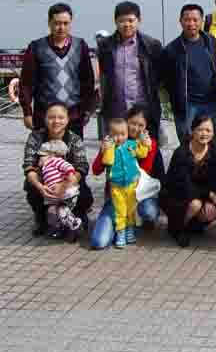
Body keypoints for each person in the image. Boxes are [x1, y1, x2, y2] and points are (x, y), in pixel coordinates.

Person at [90, 105, 163, 249]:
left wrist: (145, 147)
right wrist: (103, 151)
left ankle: (131, 225)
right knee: (99, 242)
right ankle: (119, 228)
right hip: (116, 195)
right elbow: (96, 170)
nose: (136, 128)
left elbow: (145, 169)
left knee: (149, 212)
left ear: (146, 127)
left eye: (140, 125)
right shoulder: (112, 140)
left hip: (137, 193)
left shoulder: (149, 143)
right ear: (126, 121)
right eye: (132, 123)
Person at [18, 3, 96, 136]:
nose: (61, 28)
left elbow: (87, 81)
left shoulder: (80, 46)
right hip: (44, 116)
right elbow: (26, 83)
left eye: (66, 23)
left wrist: (86, 110)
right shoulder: (36, 47)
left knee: (74, 150)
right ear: (49, 23)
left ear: (71, 23)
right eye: (57, 23)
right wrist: (27, 112)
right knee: (44, 150)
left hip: (74, 116)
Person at [23, 102, 94, 236]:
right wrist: (40, 187)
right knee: (31, 188)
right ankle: (41, 218)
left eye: (61, 117)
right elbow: (28, 166)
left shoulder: (74, 138)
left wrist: (64, 185)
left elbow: (82, 166)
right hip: (45, 183)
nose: (56, 121)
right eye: (51, 117)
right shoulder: (35, 137)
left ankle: (78, 214)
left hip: (69, 181)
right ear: (45, 119)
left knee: (84, 195)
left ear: (67, 120)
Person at [97, 1, 163, 144]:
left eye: (131, 20)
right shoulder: (105, 46)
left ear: (139, 20)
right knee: (117, 151)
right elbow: (104, 76)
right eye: (122, 21)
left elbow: (158, 77)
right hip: (117, 110)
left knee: (146, 149)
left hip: (143, 110)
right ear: (115, 22)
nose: (126, 25)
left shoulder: (151, 45)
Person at [161, 4, 216, 151]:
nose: (191, 24)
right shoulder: (172, 49)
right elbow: (165, 79)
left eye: (195, 20)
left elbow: (215, 68)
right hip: (187, 105)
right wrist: (176, 99)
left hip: (211, 102)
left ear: (202, 21)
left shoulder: (210, 41)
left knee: (212, 141)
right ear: (180, 21)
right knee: (187, 142)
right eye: (187, 20)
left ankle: (212, 166)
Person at [162, 115, 216, 247]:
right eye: (200, 129)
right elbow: (184, 186)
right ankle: (177, 228)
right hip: (176, 195)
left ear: (213, 133)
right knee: (195, 205)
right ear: (193, 131)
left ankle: (193, 224)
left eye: (208, 130)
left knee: (211, 210)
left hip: (198, 192)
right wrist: (208, 194)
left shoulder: (213, 151)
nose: (204, 133)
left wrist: (214, 195)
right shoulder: (181, 153)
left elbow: (214, 181)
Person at [100, 117, 150, 248]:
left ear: (127, 134)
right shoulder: (111, 148)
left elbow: (143, 153)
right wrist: (108, 148)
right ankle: (120, 232)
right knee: (120, 210)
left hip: (132, 184)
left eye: (122, 134)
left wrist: (144, 142)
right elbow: (108, 161)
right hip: (117, 187)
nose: (119, 138)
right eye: (115, 135)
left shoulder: (131, 144)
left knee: (131, 209)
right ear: (110, 135)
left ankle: (130, 229)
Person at [36, 139, 83, 240]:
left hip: (67, 193)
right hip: (57, 196)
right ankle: (63, 227)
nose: (39, 158)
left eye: (42, 156)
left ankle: (74, 224)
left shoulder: (54, 161)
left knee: (61, 211)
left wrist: (70, 174)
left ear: (51, 155)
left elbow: (67, 166)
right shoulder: (45, 167)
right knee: (54, 211)